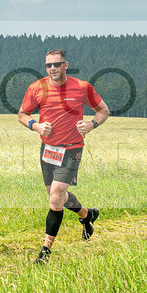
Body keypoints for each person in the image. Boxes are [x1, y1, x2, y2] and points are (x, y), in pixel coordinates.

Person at [17, 49, 110, 264]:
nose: (52, 69)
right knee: (56, 196)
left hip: (72, 148)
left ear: (65, 65)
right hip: (48, 149)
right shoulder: (36, 88)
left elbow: (103, 110)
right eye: (48, 65)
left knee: (57, 195)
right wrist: (36, 126)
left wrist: (91, 124)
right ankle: (87, 215)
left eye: (56, 64)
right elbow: (22, 114)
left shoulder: (81, 87)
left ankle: (45, 251)